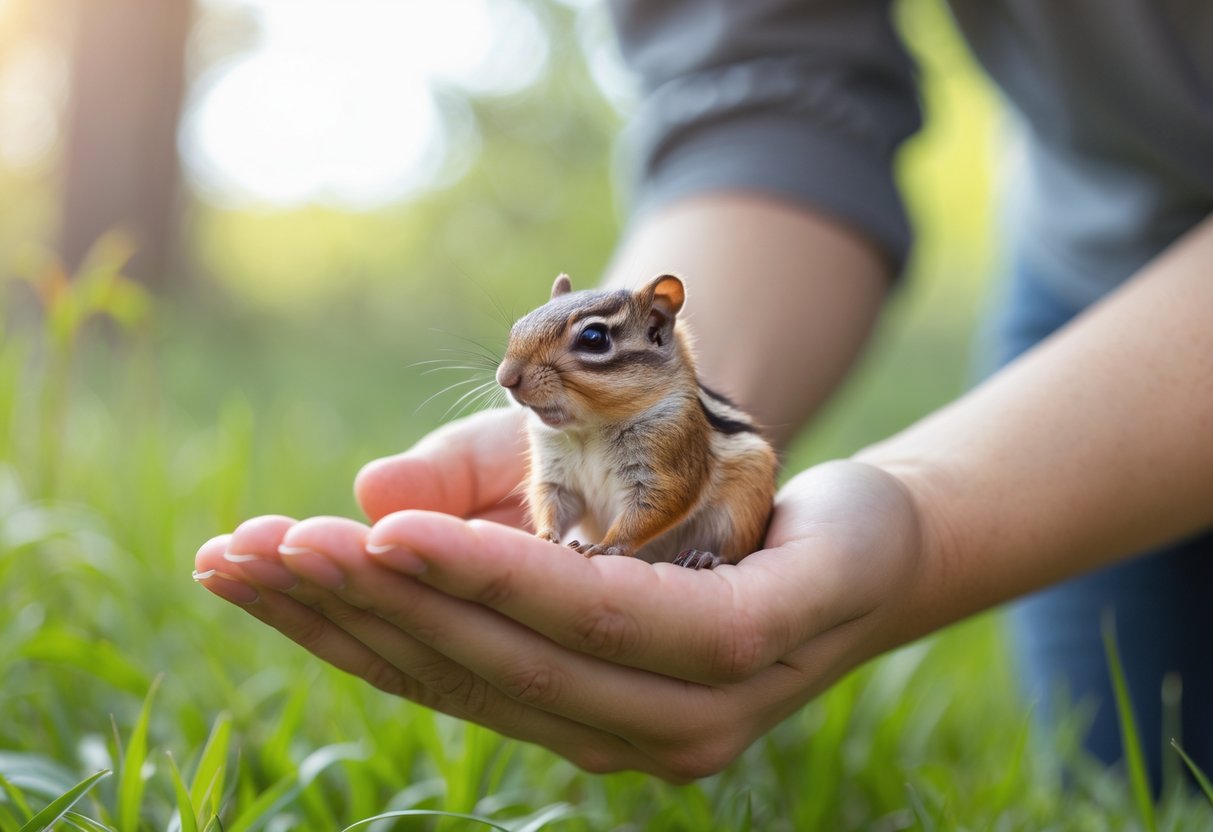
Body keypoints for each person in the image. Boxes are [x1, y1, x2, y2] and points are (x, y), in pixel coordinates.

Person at [193, 0, 1213, 784]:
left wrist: (925, 520)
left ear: (655, 332)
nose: (514, 381)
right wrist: (567, 541)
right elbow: (770, 74)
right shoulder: (580, 409)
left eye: (585, 346)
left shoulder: (676, 420)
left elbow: (662, 490)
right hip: (1100, 251)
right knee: (1123, 769)